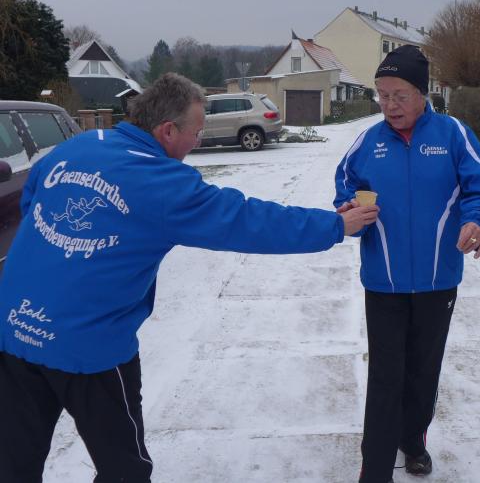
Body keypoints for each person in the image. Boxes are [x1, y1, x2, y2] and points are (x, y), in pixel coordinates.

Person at [0, 72, 379, 482]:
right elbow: (248, 221)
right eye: (196, 133)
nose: (198, 142)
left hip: (14, 327)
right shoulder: (163, 183)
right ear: (167, 131)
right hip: (89, 346)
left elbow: (32, 200)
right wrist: (335, 226)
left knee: (13, 463)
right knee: (124, 469)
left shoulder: (77, 145)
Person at [334, 45, 480, 483]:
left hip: (437, 280)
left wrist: (479, 221)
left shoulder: (453, 135)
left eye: (400, 95)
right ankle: (375, 469)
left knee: (423, 373)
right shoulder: (368, 142)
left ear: (421, 93)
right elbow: (344, 184)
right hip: (384, 280)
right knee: (386, 375)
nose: (390, 105)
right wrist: (348, 207)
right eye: (382, 95)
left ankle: (412, 441)